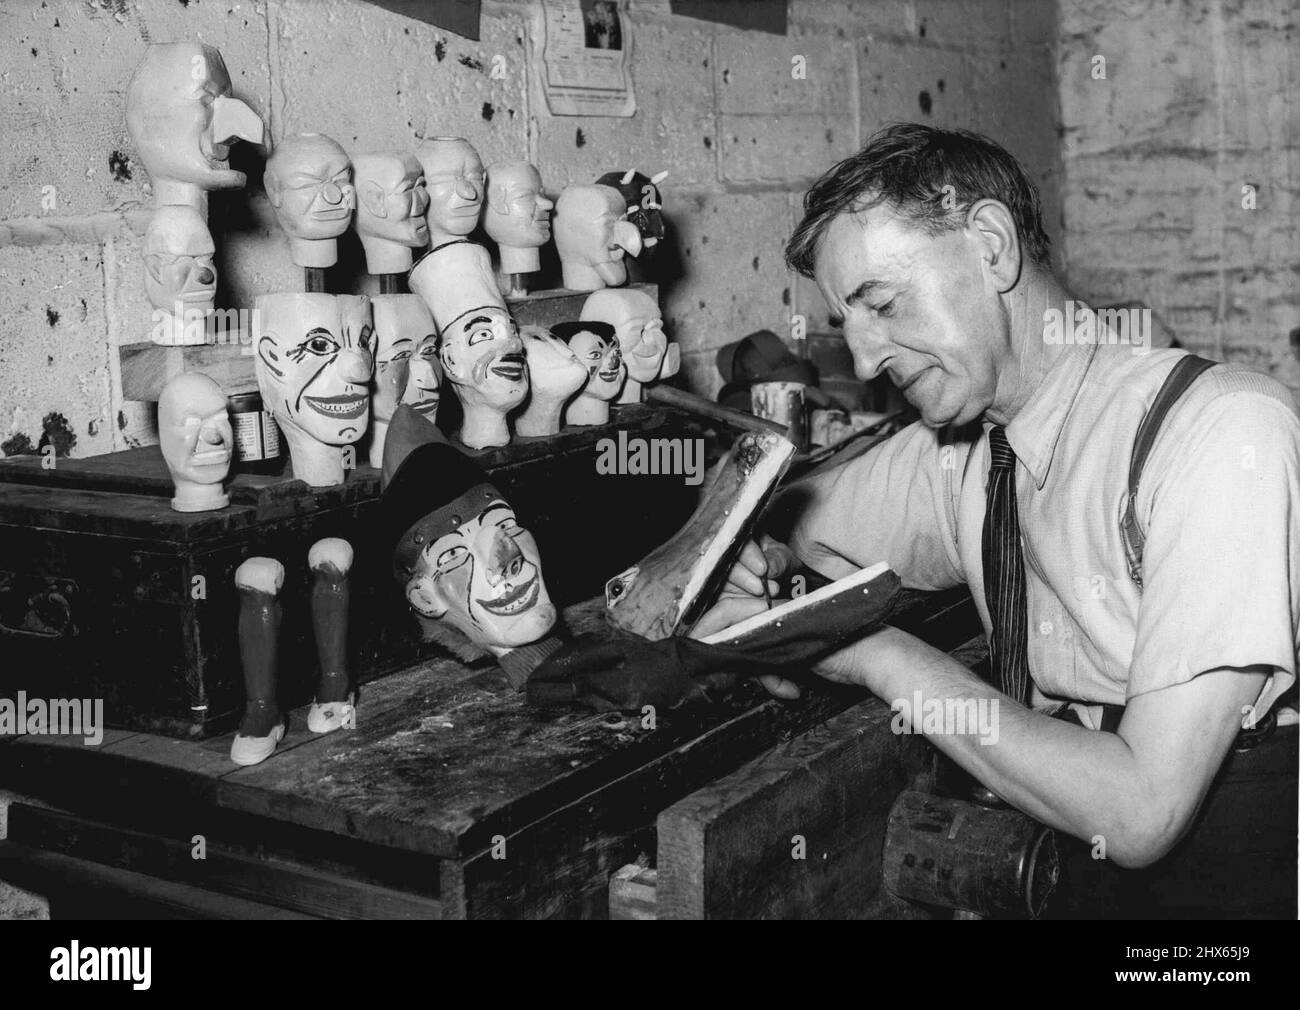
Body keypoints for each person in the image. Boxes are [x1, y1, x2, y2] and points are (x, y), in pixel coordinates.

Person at [693, 124, 1298, 908]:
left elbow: (1143, 810)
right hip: (1063, 863)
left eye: (884, 303)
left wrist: (876, 654)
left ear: (991, 246)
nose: (869, 361)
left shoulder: (1224, 434)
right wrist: (745, 550)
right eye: (850, 327)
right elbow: (795, 518)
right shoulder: (964, 448)